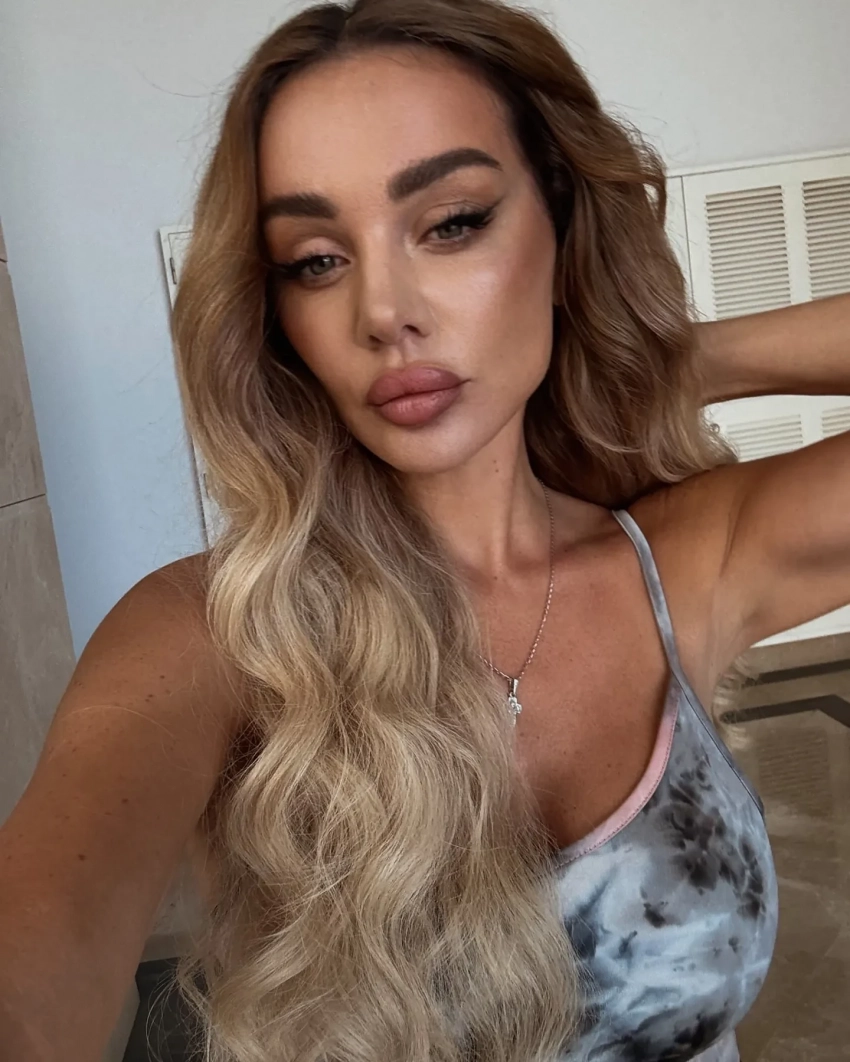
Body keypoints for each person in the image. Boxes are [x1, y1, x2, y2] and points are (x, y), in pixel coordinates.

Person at [1, 0, 848, 1059]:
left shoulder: (685, 565)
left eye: (451, 223)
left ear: (562, 226)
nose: (382, 312)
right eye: (315, 259)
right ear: (277, 315)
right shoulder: (217, 635)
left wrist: (655, 356)